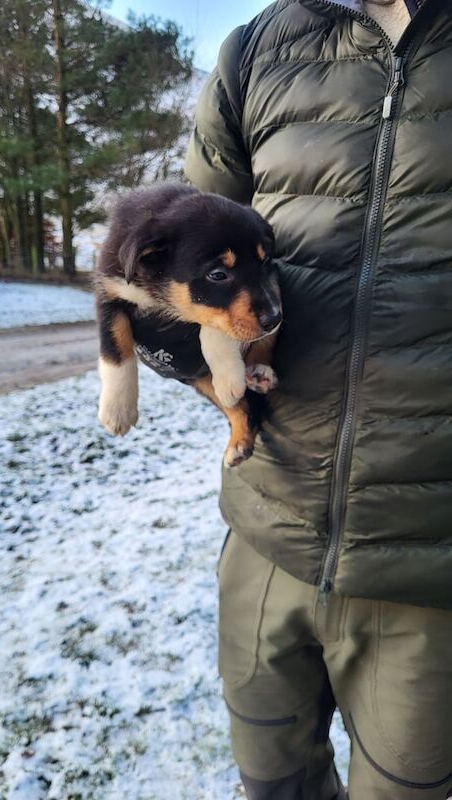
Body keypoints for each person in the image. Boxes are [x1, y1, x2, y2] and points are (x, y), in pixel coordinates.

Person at [184, 0, 452, 798]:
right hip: (267, 531)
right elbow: (188, 249)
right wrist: (207, 367)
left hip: (429, 568)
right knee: (274, 784)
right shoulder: (256, 50)